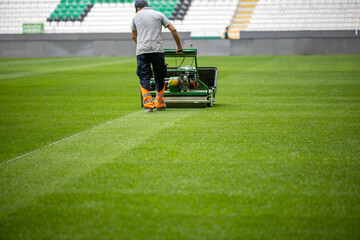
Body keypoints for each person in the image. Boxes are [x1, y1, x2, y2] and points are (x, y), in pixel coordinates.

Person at [131, 0, 183, 112]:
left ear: (138, 8)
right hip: (157, 50)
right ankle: (159, 104)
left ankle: (148, 106)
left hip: (142, 51)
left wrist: (141, 45)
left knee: (144, 77)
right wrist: (179, 46)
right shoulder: (159, 14)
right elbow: (173, 30)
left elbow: (133, 36)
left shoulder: (135, 17)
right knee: (159, 76)